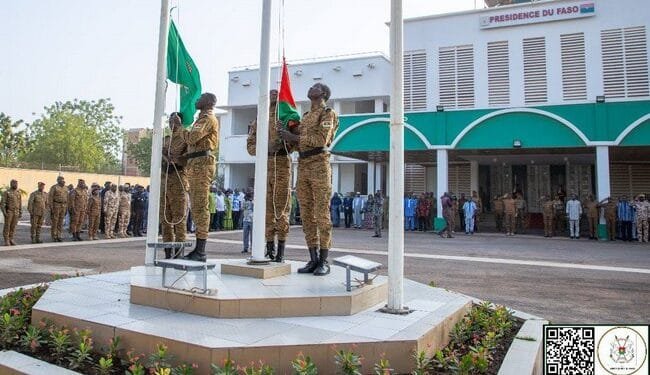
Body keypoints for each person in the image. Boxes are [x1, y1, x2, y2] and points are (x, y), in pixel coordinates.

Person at [279, 82, 339, 276]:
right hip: (303, 165)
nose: (311, 88)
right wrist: (287, 137)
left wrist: (294, 138)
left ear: (323, 93)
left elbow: (321, 140)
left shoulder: (327, 113)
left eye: (315, 87)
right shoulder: (305, 117)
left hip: (319, 164)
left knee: (322, 214)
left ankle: (324, 260)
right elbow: (298, 143)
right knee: (306, 214)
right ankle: (313, 259)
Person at [246, 89, 294, 262]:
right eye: (270, 93)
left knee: (281, 208)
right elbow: (250, 146)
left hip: (281, 164)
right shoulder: (258, 121)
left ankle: (281, 250)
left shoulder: (286, 116)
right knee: (265, 209)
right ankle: (268, 248)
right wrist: (266, 148)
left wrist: (284, 141)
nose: (273, 95)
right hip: (264, 166)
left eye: (276, 93)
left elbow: (296, 142)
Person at [182, 92, 219, 262]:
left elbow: (193, 137)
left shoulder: (207, 119)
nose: (197, 100)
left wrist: (181, 129)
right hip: (196, 164)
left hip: (202, 165)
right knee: (196, 206)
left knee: (200, 206)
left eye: (200, 98)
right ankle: (198, 248)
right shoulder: (201, 119)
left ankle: (201, 250)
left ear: (209, 102)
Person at [48, 176, 68, 242]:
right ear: (58, 180)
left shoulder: (65, 188)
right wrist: (51, 207)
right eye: (60, 180)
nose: (62, 181)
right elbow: (50, 198)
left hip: (63, 205)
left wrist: (66, 207)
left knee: (61, 221)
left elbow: (67, 198)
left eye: (63, 180)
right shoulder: (54, 187)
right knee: (55, 221)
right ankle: (54, 235)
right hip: (56, 205)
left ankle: (59, 235)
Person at [2, 179, 22, 246]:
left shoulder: (18, 192)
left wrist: (20, 212)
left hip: (16, 212)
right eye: (15, 184)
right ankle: (6, 240)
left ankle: (11, 239)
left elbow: (20, 203)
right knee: (7, 226)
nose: (16, 185)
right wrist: (5, 213)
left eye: (16, 184)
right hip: (9, 212)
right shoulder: (6, 192)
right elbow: (3, 204)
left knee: (13, 226)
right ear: (11, 184)